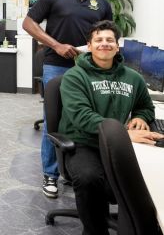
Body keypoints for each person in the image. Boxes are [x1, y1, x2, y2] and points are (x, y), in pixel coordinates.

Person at [22, 0, 113, 198]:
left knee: (88, 117)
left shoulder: (101, 2)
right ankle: (50, 174)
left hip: (90, 67)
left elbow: (108, 33)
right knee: (54, 118)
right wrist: (56, 45)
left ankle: (77, 171)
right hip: (57, 65)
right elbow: (29, 23)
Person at [59, 20, 162, 235]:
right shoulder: (75, 77)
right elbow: (82, 117)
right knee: (88, 179)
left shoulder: (133, 78)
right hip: (84, 142)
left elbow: (145, 106)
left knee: (148, 174)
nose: (104, 44)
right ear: (89, 45)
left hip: (117, 144)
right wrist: (124, 133)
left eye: (109, 40)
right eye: (98, 40)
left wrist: (141, 117)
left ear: (117, 46)